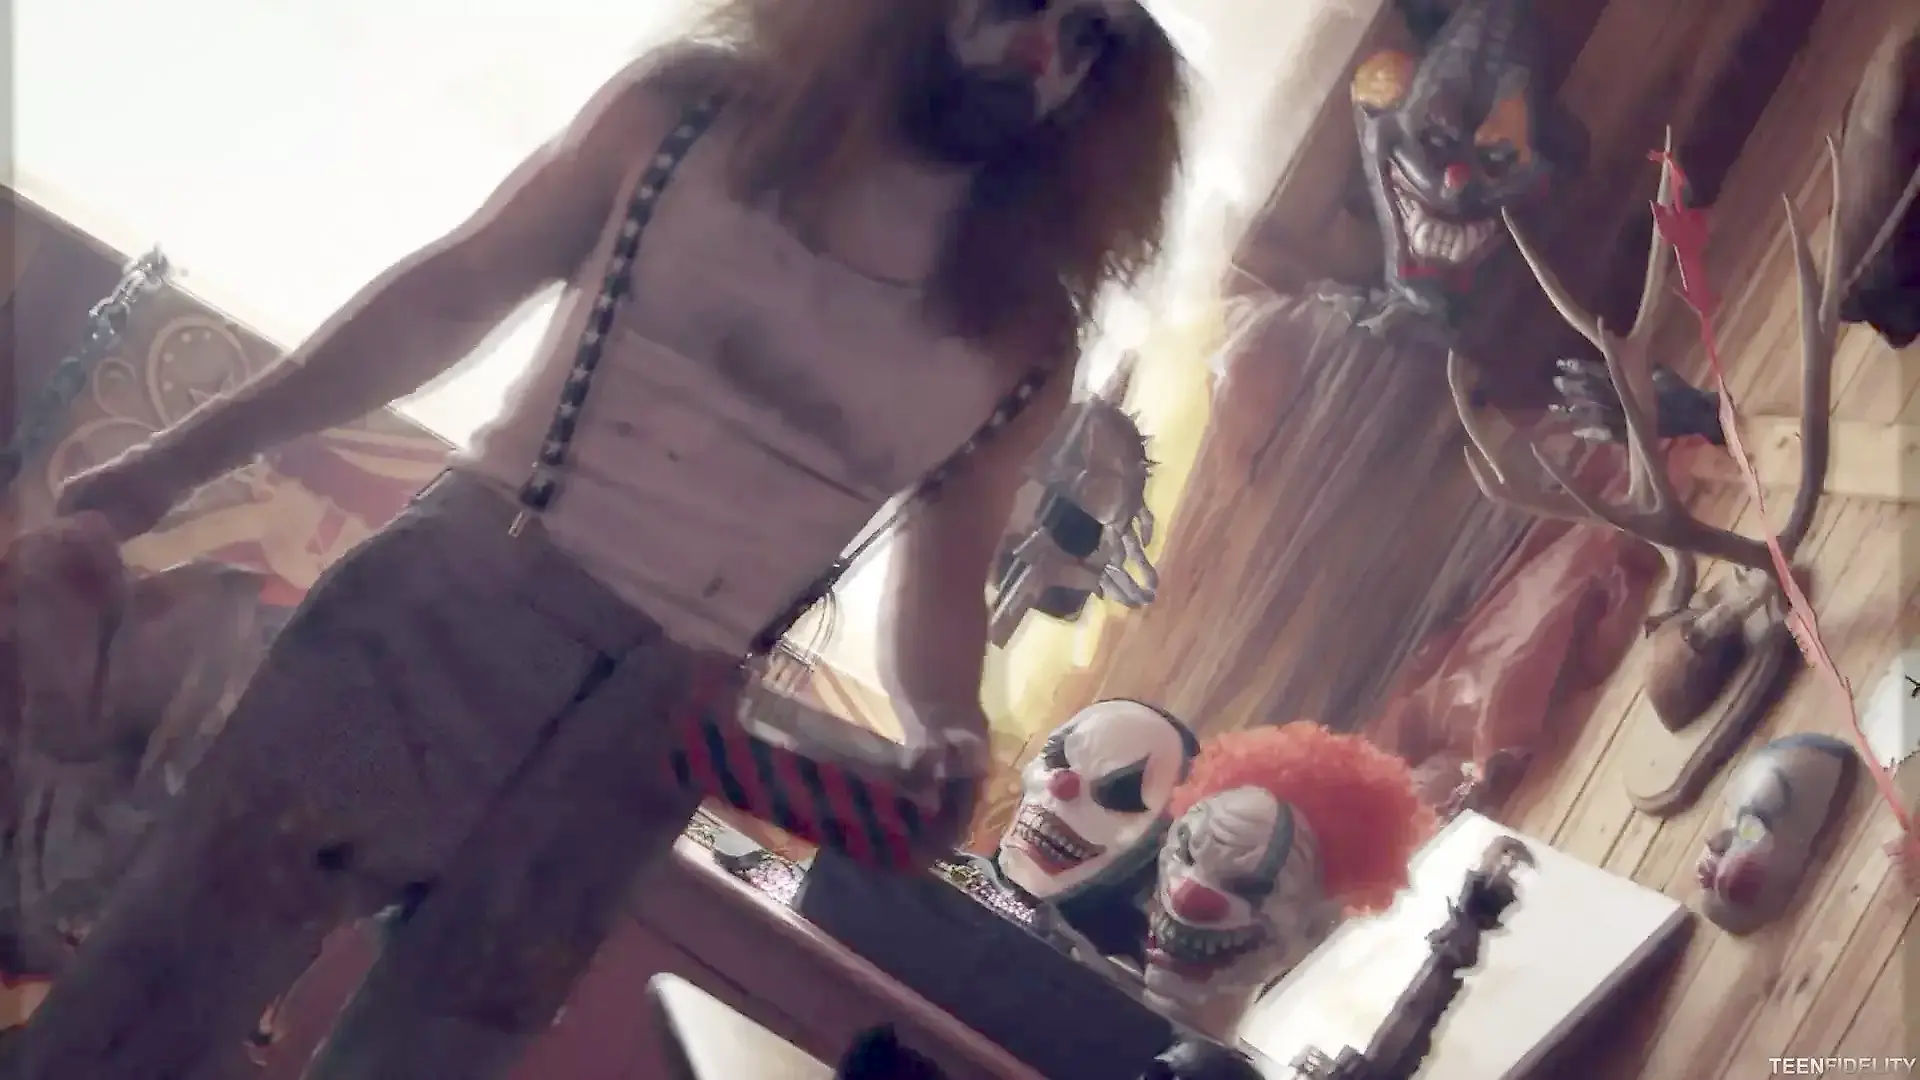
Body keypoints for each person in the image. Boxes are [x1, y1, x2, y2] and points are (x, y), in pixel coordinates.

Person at [12, 0, 1186, 1076]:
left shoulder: (1025, 333)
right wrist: (172, 464)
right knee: (157, 991)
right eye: (1016, 4)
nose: (1041, 56)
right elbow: (448, 294)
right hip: (445, 608)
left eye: (1091, 38)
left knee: (434, 1059)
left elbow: (946, 569)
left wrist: (947, 726)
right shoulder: (687, 119)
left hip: (659, 722)